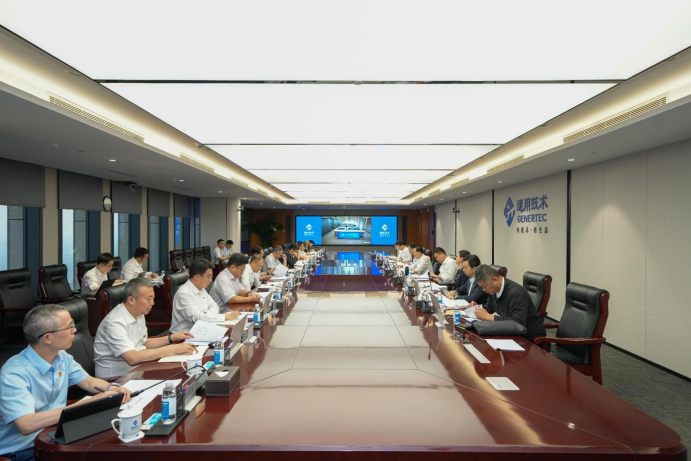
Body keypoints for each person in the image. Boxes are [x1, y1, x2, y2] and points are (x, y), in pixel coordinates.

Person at [0, 305, 132, 460]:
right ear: (47, 338)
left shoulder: (61, 356)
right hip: (24, 450)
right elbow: (26, 424)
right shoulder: (14, 373)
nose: (74, 330)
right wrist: (88, 404)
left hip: (57, 435)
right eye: (69, 326)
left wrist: (113, 388)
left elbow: (88, 382)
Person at [94, 278, 197, 379]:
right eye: (148, 299)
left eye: (153, 298)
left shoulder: (138, 313)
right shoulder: (115, 323)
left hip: (138, 370)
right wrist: (172, 349)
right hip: (115, 379)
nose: (152, 303)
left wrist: (172, 338)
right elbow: (132, 358)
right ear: (131, 300)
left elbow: (143, 343)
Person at [471, 265, 546, 338]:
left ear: (495, 279)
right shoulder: (494, 290)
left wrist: (489, 317)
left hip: (530, 338)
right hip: (510, 334)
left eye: (484, 286)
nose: (483, 290)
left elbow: (517, 323)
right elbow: (490, 307)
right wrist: (477, 308)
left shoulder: (516, 293)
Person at [171, 259, 237, 333]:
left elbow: (214, 306)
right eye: (209, 277)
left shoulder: (201, 289)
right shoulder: (183, 294)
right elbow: (197, 318)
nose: (210, 280)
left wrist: (206, 316)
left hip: (202, 329)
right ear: (198, 277)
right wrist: (225, 317)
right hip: (183, 336)